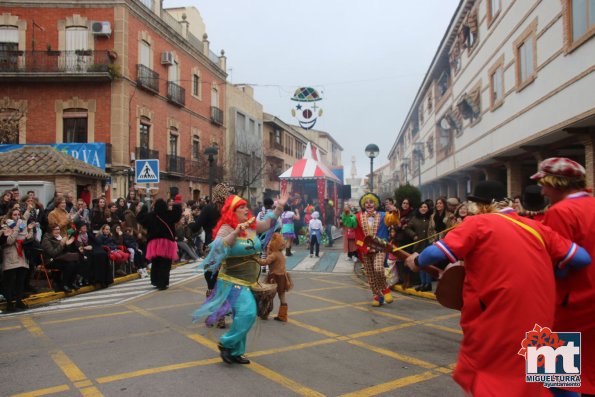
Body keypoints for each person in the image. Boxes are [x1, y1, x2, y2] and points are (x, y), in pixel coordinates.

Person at [404, 180, 591, 397]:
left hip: (502, 321)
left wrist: (416, 262)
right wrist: (552, 274)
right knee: (559, 383)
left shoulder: (479, 223)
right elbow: (581, 258)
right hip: (546, 317)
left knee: (498, 382)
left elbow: (434, 255)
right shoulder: (537, 227)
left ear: (479, 206)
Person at [192, 193, 288, 365]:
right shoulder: (226, 228)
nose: (246, 209)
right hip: (231, 282)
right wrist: (235, 233)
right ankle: (226, 343)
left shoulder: (251, 226)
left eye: (246, 206)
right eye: (241, 207)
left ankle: (236, 351)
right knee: (248, 312)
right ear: (232, 211)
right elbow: (217, 247)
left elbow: (268, 223)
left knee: (240, 315)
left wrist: (279, 207)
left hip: (248, 281)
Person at [530, 157, 595, 395]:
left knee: (554, 379)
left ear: (556, 183)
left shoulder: (561, 212)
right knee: (589, 375)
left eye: (544, 184)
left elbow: (557, 265)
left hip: (568, 304)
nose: (543, 191)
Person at [354, 192, 400, 306]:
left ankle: (385, 289)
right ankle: (377, 296)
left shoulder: (384, 215)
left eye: (371, 202)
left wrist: (395, 211)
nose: (369, 204)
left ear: (375, 204)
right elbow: (350, 223)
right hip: (365, 249)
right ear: (363, 205)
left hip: (380, 248)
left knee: (378, 269)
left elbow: (393, 220)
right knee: (370, 275)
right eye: (366, 202)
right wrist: (345, 215)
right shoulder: (358, 216)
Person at [137, 199, 182, 290]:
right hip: (167, 242)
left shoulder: (150, 216)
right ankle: (163, 282)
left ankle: (155, 281)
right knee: (165, 263)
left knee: (156, 262)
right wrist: (176, 204)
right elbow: (177, 215)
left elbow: (140, 218)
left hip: (154, 243)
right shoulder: (169, 214)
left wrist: (145, 208)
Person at [1, 210, 34, 311]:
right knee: (9, 282)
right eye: (14, 215)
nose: (17, 216)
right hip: (10, 256)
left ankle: (19, 301)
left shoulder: (21, 225)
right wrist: (16, 228)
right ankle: (9, 303)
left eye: (18, 215)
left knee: (20, 281)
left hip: (21, 256)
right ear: (10, 216)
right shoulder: (5, 227)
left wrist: (29, 230)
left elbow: (27, 238)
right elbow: (10, 240)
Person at [257, 232, 292, 321]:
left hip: (274, 277)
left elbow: (264, 262)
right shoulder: (281, 254)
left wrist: (256, 259)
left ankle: (264, 313)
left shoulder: (274, 255)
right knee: (282, 295)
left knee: (268, 296)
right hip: (283, 277)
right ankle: (283, 315)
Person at [405, 202, 435, 292]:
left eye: (425, 207)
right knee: (420, 264)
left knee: (428, 264)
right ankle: (423, 283)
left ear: (428, 208)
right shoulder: (415, 218)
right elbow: (407, 228)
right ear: (418, 208)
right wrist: (414, 235)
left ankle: (428, 283)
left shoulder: (431, 218)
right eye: (421, 207)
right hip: (419, 245)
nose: (423, 208)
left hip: (429, 244)